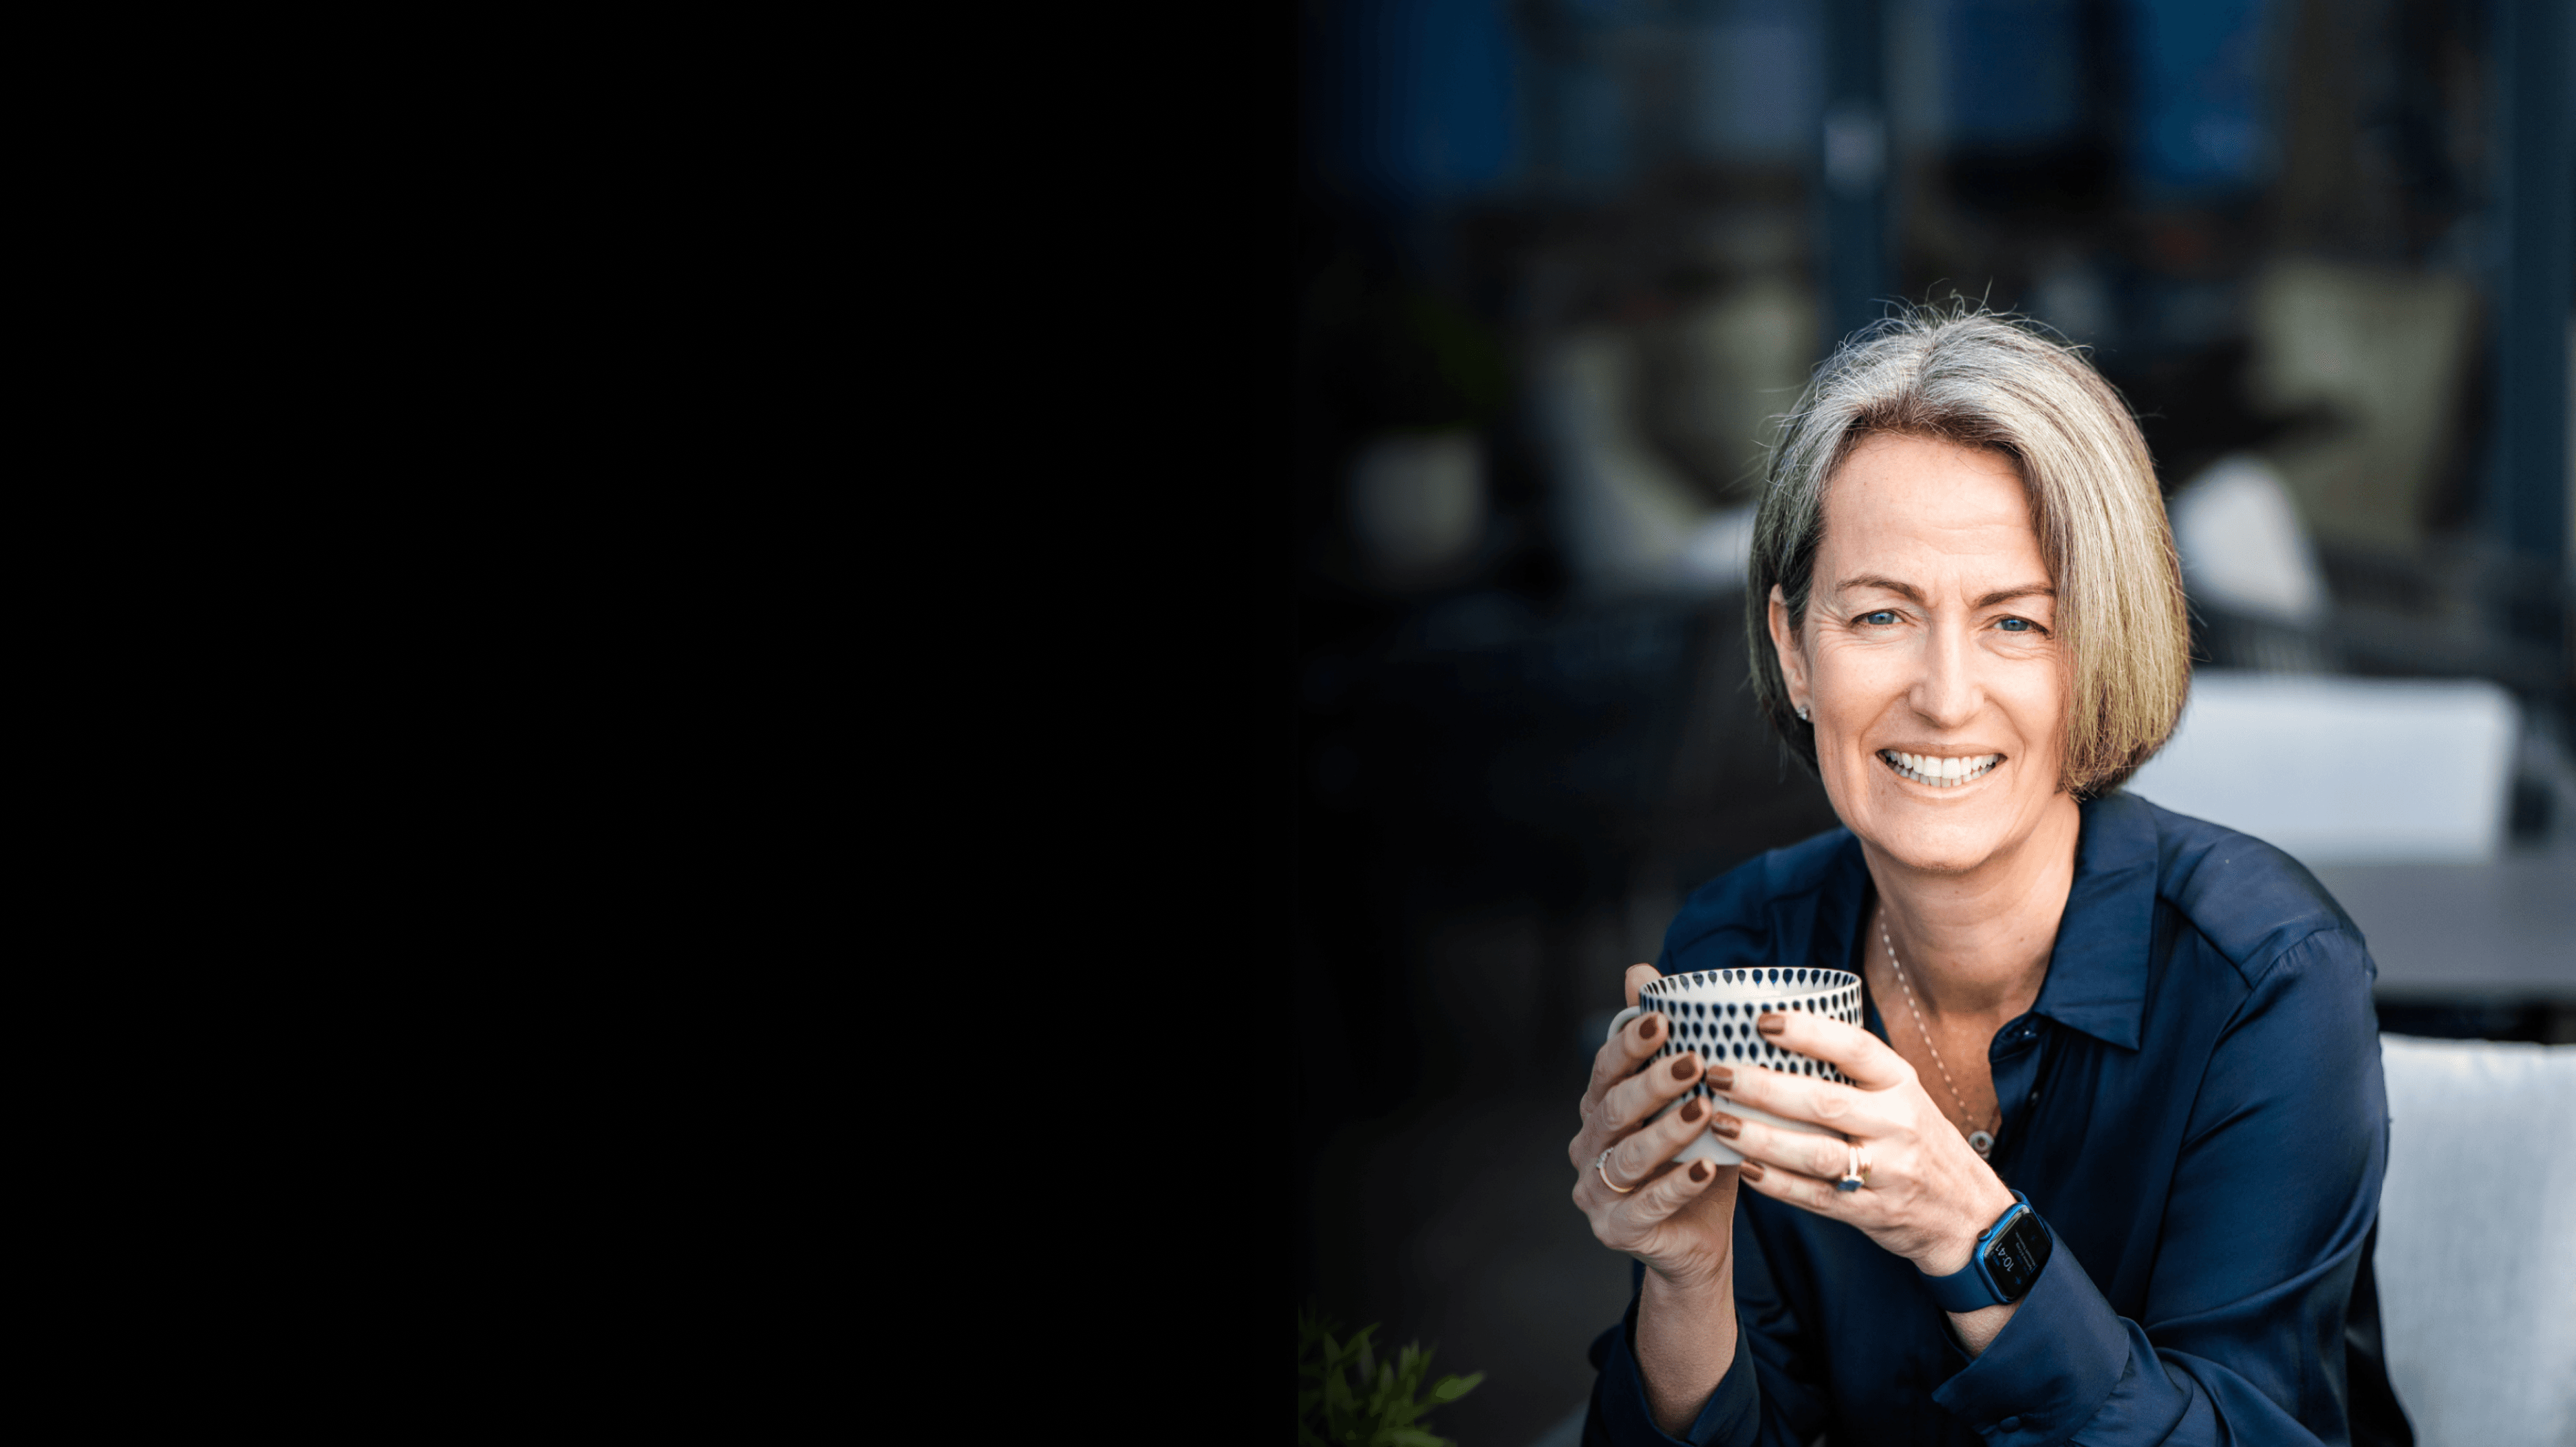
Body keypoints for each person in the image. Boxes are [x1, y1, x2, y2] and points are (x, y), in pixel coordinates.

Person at [1567, 309, 2408, 1446]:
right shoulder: (1734, 946)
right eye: (1879, 615)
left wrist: (1969, 1231)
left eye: (2016, 622)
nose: (1946, 694)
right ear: (1794, 650)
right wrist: (1683, 1277)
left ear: (2096, 650)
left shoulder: (2268, 981)